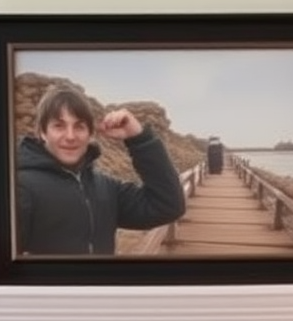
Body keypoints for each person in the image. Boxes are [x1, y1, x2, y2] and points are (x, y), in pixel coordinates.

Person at [15, 84, 186, 256]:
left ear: (90, 134)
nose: (70, 136)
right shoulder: (20, 188)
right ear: (42, 132)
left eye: (79, 126)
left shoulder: (106, 186)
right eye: (59, 126)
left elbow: (168, 206)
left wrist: (139, 139)